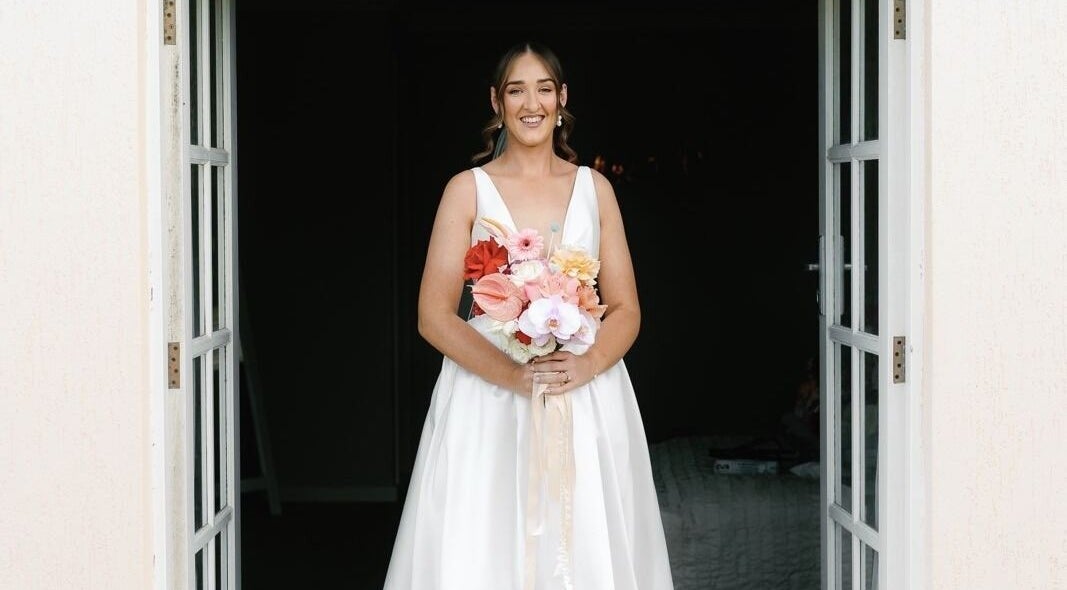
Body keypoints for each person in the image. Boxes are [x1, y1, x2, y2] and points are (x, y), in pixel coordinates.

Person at [383, 41, 674, 590]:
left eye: (544, 88)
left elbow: (628, 308)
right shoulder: (466, 191)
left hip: (583, 393)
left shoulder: (595, 189)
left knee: (583, 539)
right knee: (482, 539)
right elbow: (433, 316)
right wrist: (514, 376)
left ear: (563, 99)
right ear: (497, 102)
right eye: (516, 89)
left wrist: (587, 368)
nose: (531, 102)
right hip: (487, 397)